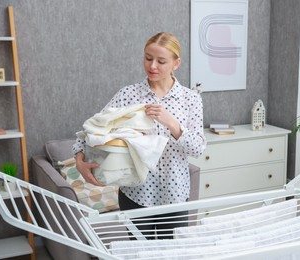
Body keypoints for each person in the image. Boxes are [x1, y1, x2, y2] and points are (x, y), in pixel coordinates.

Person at [72, 32, 206, 239]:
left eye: (161, 61)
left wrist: (171, 123)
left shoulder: (191, 99)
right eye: (148, 58)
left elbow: (197, 148)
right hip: (135, 193)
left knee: (171, 255)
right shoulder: (128, 95)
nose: (152, 66)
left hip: (175, 194)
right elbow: (93, 128)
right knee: (138, 253)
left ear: (176, 63)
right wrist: (79, 160)